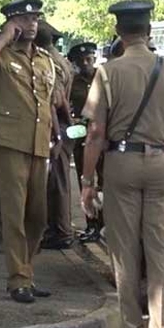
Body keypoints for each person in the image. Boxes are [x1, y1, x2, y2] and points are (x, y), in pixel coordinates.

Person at [80, 0, 164, 328]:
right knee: (160, 250)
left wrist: (86, 181)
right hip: (161, 163)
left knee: (124, 253)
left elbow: (96, 132)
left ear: (118, 33)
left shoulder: (108, 72)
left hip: (121, 164)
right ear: (148, 30)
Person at [0, 0, 55, 304]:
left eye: (35, 18)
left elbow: (49, 99)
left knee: (38, 216)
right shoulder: (1, 52)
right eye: (24, 20)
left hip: (39, 143)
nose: (32, 23)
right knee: (14, 213)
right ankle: (18, 279)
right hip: (9, 142)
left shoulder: (44, 59)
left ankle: (28, 273)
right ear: (11, 22)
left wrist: (58, 133)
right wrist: (6, 35)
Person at [36, 21, 75, 250]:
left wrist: (58, 136)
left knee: (57, 182)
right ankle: (58, 228)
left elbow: (54, 101)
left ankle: (61, 231)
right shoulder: (61, 60)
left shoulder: (48, 63)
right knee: (57, 180)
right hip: (61, 125)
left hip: (55, 125)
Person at [69, 42, 105, 243]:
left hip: (104, 137)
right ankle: (92, 224)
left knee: (106, 181)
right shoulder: (73, 82)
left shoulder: (104, 77)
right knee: (86, 180)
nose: (86, 63)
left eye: (89, 59)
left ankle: (107, 224)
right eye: (81, 60)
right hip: (83, 137)